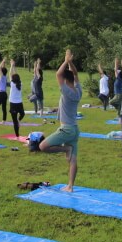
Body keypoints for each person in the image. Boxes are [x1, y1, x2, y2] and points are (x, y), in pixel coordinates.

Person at [40, 49, 82, 192]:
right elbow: (75, 73)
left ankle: (66, 148)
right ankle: (70, 186)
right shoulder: (77, 90)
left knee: (42, 146)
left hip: (66, 129)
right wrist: (70, 62)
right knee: (72, 159)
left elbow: (58, 74)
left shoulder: (67, 91)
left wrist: (65, 60)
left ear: (65, 80)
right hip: (75, 129)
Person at [8, 59, 25, 138]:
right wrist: (14, 65)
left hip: (14, 103)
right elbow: (15, 74)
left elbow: (10, 74)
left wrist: (12, 65)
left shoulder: (12, 84)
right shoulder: (20, 83)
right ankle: (17, 135)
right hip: (17, 103)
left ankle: (18, 122)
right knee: (21, 115)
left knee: (16, 120)